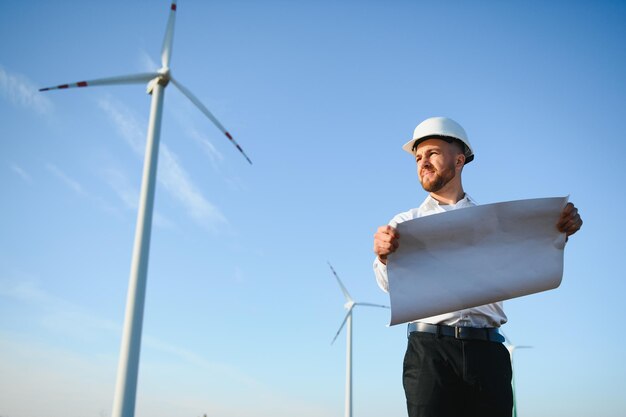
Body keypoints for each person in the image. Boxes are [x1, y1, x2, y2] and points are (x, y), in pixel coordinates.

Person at [372, 116, 582, 417]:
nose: (422, 162)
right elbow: (388, 285)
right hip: (430, 355)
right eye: (418, 157)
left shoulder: (497, 224)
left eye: (431, 153)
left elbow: (532, 255)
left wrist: (559, 230)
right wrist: (383, 257)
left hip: (488, 353)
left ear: (459, 159)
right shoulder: (404, 224)